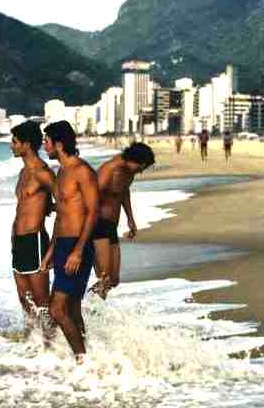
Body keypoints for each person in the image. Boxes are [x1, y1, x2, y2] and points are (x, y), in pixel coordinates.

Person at [41, 121, 99, 363]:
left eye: (47, 141)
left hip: (79, 244)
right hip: (64, 244)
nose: (44, 145)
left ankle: (81, 359)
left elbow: (93, 212)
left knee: (57, 309)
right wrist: (52, 250)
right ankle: (87, 356)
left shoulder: (82, 171)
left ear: (59, 144)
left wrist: (77, 250)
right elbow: (62, 216)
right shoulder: (61, 172)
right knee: (72, 308)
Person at [91, 142, 155, 299]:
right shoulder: (109, 169)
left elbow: (123, 192)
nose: (140, 172)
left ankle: (86, 306)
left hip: (111, 226)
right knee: (104, 277)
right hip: (98, 225)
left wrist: (130, 219)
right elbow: (91, 197)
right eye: (141, 168)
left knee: (113, 280)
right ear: (134, 160)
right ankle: (83, 311)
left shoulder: (129, 172)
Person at [10, 121, 56, 336]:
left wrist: (54, 248)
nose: (12, 146)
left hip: (35, 240)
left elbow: (66, 202)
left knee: (42, 303)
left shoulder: (42, 172)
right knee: (25, 301)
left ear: (27, 144)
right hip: (18, 242)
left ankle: (54, 347)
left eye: (15, 142)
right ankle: (32, 346)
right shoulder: (22, 173)